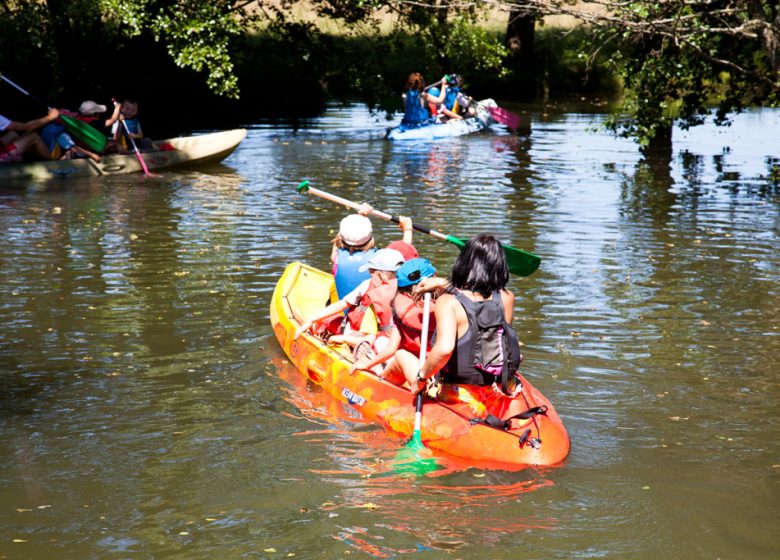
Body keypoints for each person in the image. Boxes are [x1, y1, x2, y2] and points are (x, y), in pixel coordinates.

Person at [410, 234, 523, 417]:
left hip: (461, 394)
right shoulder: (508, 298)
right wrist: (443, 284)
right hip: (499, 388)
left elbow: (444, 350)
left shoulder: (448, 302)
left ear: (463, 264)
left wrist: (421, 378)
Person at [294, 248, 405, 355]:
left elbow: (342, 306)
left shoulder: (370, 285)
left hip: (364, 339)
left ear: (380, 276)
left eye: (371, 274)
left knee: (323, 320)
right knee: (325, 319)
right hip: (377, 339)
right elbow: (342, 305)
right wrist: (313, 319)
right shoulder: (408, 292)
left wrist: (342, 338)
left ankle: (313, 342)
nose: (370, 277)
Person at [350, 257, 438, 384]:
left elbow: (392, 348)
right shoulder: (446, 305)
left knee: (400, 354)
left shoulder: (401, 308)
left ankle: (381, 383)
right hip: (436, 370)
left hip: (419, 372)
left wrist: (368, 364)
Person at [331, 210, 416, 300]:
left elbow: (339, 240)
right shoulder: (379, 260)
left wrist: (358, 217)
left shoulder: (336, 257)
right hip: (368, 312)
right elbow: (405, 250)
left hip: (343, 311)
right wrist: (408, 229)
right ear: (371, 237)